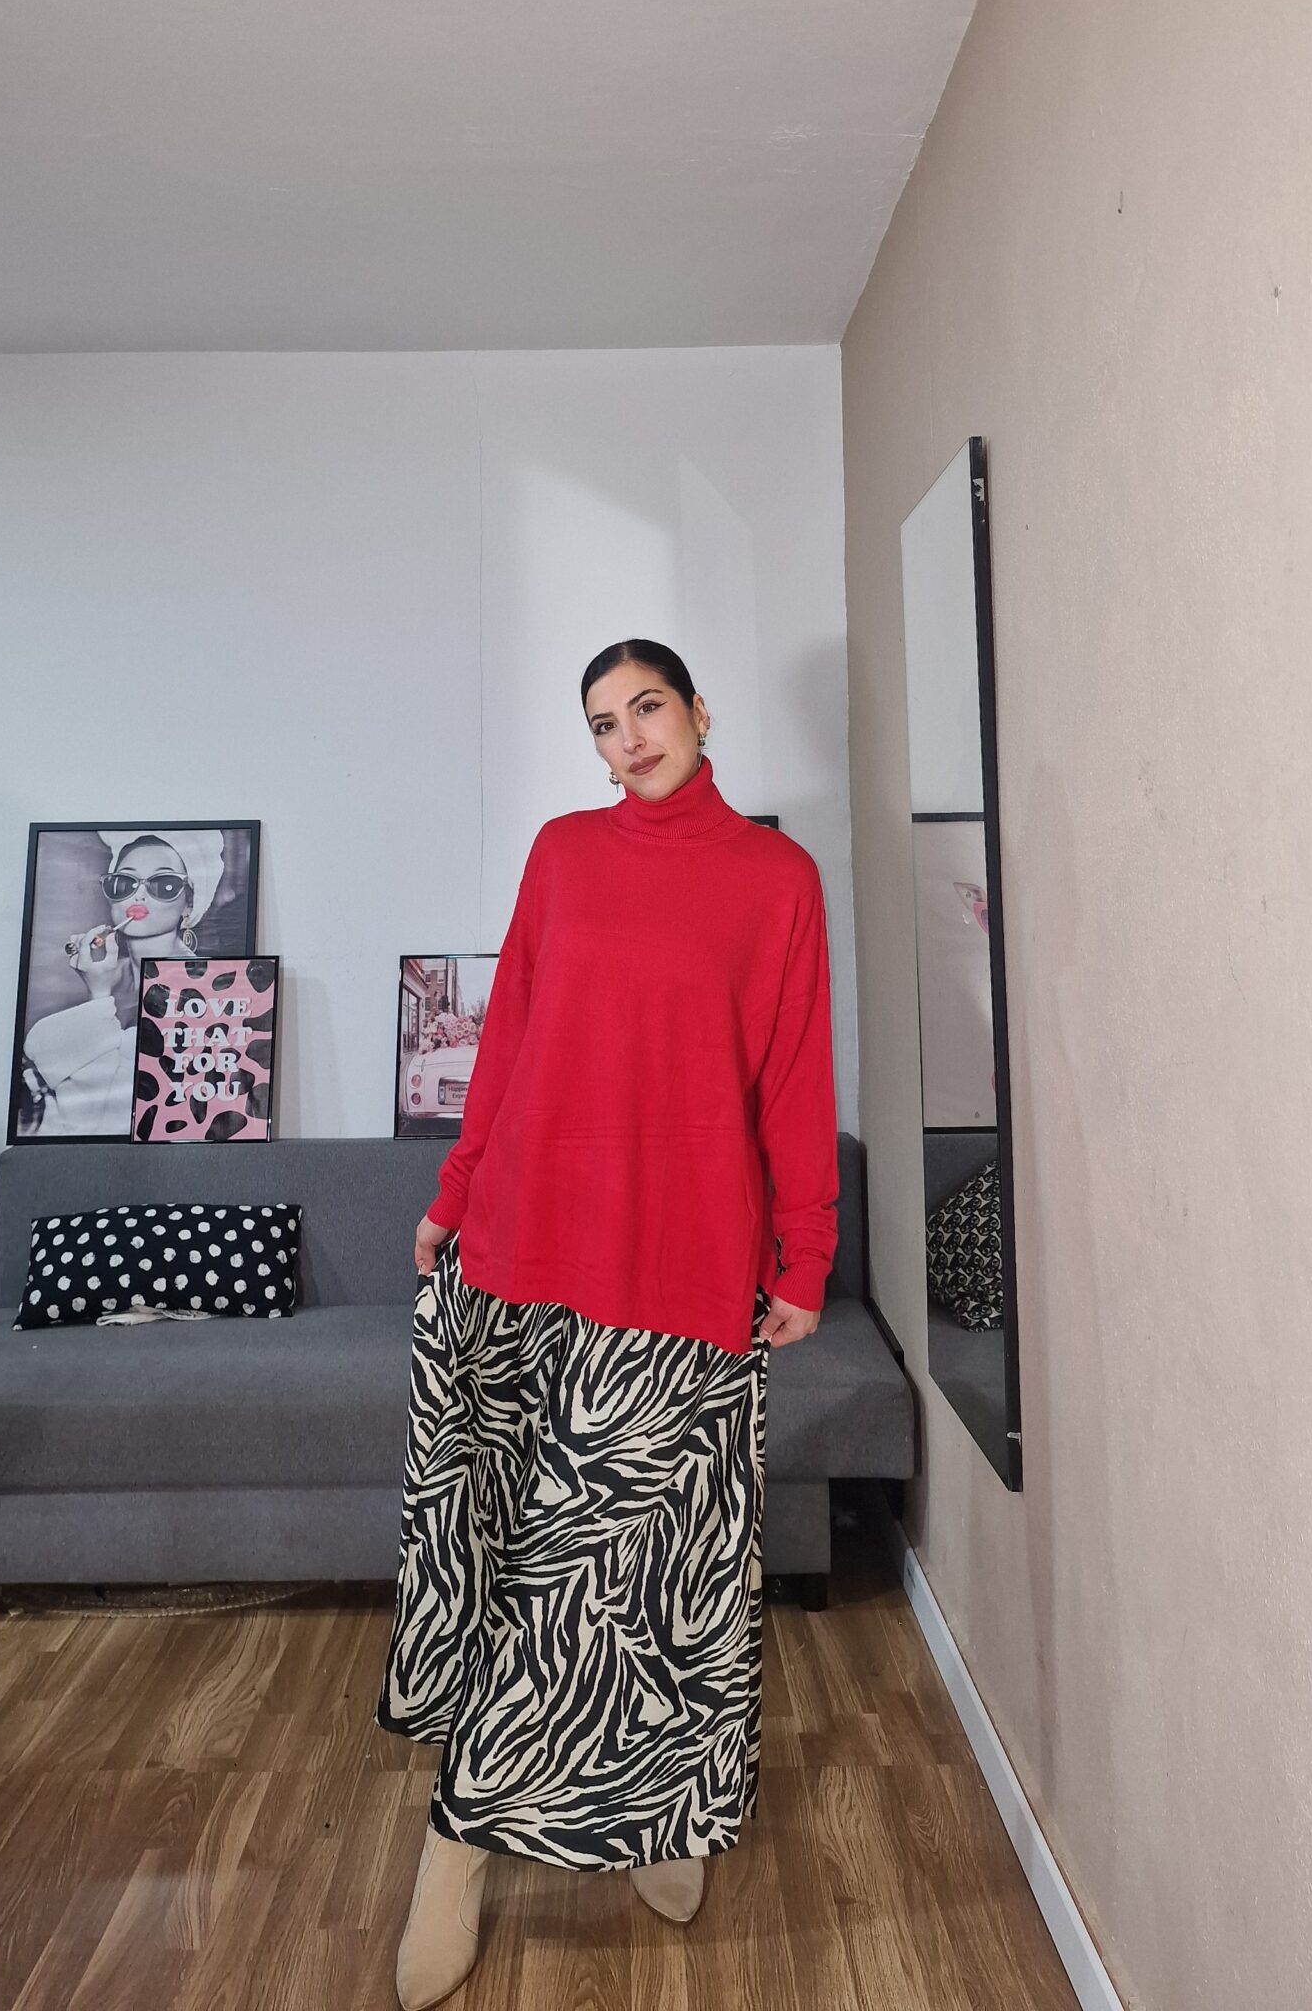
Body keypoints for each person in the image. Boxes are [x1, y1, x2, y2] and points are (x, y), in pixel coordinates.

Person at [376, 640, 839, 2010]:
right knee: (526, 1570)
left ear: (698, 712)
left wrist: (805, 1253)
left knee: (669, 1577)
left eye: (646, 708)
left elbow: (794, 1078)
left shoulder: (777, 879)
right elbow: (511, 1039)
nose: (627, 737)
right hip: (528, 1250)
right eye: (601, 723)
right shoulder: (564, 855)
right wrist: (454, 1193)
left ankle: (661, 1816)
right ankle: (456, 1854)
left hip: (685, 1262)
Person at [19, 828, 226, 1136]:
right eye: (124, 883)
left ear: (189, 904)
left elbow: (107, 1117)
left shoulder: (208, 990)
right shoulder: (106, 975)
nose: (138, 895)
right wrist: (98, 992)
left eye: (164, 884)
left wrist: (98, 997)